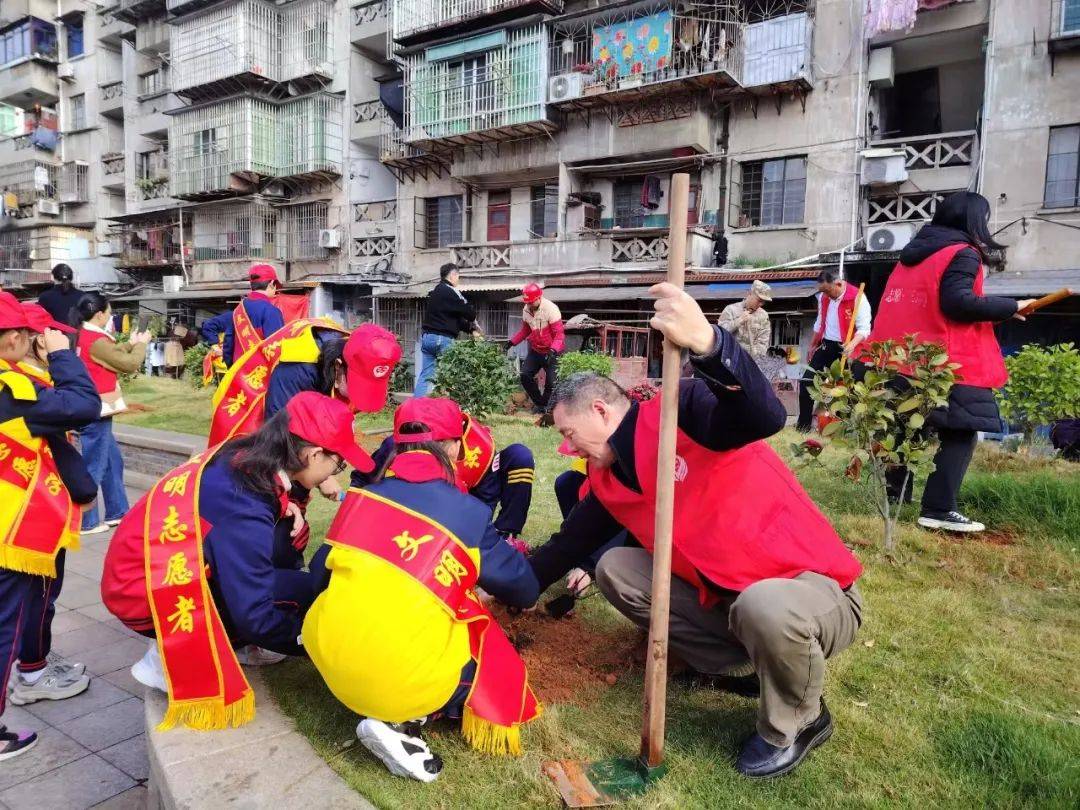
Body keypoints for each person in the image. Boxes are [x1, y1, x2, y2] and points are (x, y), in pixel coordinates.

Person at [528, 282, 864, 779]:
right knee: (615, 568)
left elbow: (764, 414)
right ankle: (742, 666)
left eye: (568, 432)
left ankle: (799, 720)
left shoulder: (677, 412)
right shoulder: (608, 475)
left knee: (764, 606)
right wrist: (498, 584)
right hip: (725, 603)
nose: (570, 447)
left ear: (599, 411)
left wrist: (710, 344)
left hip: (807, 591)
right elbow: (566, 547)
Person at [101, 392, 373, 730]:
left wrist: (283, 507)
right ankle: (171, 660)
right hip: (144, 597)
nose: (338, 471)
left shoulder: (245, 454)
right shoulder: (245, 500)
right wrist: (322, 645)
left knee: (295, 582)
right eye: (339, 463)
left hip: (142, 572)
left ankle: (227, 644)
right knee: (303, 598)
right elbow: (255, 614)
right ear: (313, 453)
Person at [304, 397, 540, 782]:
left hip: (329, 662)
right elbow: (524, 589)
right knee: (477, 636)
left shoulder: (361, 499)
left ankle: (387, 699)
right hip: (396, 680)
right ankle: (403, 720)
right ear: (452, 448)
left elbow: (317, 577)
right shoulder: (468, 514)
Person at [868, 191, 1036, 533]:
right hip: (944, 360)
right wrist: (1011, 306)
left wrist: (1000, 309)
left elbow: (935, 299)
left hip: (901, 355)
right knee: (960, 431)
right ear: (973, 220)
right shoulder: (964, 253)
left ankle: (894, 500)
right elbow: (957, 303)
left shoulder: (912, 255)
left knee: (903, 428)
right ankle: (939, 509)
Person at [0, 292, 101, 761]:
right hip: (14, 527)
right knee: (9, 621)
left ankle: (32, 670)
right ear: (18, 337)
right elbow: (83, 402)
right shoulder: (13, 389)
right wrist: (64, 357)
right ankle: (28, 680)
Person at [207, 319, 401, 448]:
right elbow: (277, 429)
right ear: (339, 366)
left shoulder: (358, 352)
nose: (358, 397)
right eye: (358, 386)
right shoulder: (301, 368)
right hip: (246, 404)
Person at [354, 413, 535, 547]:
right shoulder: (398, 444)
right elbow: (363, 478)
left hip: (464, 501)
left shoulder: (480, 453)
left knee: (520, 455)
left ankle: (506, 536)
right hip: (418, 514)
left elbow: (484, 506)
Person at [71, 292, 150, 535]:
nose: (110, 315)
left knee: (112, 461)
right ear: (99, 314)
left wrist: (131, 343)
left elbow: (109, 353)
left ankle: (117, 511)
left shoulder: (87, 335)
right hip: (98, 409)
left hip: (95, 406)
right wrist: (142, 345)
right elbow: (128, 364)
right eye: (109, 311)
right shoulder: (94, 339)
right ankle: (87, 520)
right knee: (95, 465)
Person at [796, 269, 873, 432]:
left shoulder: (857, 297)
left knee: (846, 389)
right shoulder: (824, 298)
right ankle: (803, 426)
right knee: (806, 382)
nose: (825, 295)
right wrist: (812, 344)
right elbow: (819, 322)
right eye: (822, 291)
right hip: (826, 346)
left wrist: (852, 343)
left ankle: (844, 428)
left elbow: (865, 329)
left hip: (848, 349)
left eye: (828, 290)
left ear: (838, 283)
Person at [199, 264, 286, 367]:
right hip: (260, 378)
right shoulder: (271, 312)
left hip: (237, 377)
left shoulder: (238, 310)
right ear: (272, 283)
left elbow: (212, 329)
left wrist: (215, 346)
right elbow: (277, 351)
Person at [414, 263, 477, 396]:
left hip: (427, 339)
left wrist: (470, 330)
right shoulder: (452, 291)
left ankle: (416, 409)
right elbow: (470, 313)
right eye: (458, 276)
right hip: (442, 339)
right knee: (453, 374)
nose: (458, 279)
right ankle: (453, 408)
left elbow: (453, 318)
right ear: (453, 275)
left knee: (425, 376)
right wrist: (471, 314)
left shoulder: (436, 292)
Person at [508, 283, 564, 413]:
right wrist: (512, 342)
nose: (529, 305)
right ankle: (540, 404)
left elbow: (559, 334)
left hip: (552, 351)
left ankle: (546, 407)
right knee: (525, 376)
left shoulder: (551, 309)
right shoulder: (526, 309)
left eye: (531, 302)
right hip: (536, 350)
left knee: (552, 382)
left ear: (539, 297)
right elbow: (525, 330)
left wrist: (553, 350)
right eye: (527, 302)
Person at [718, 279, 773, 359]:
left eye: (763, 302)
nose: (760, 304)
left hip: (750, 361)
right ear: (750, 293)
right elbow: (720, 334)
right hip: (730, 359)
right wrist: (738, 321)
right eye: (759, 300)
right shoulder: (731, 310)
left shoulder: (763, 315)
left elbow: (763, 341)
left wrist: (756, 358)